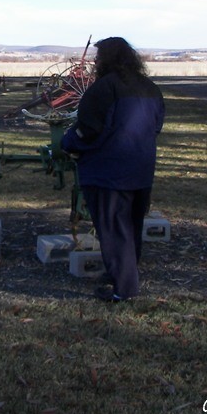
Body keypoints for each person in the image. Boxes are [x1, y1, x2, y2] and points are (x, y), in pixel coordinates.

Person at [61, 37, 165, 302]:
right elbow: (156, 127)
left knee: (114, 230)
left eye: (98, 58)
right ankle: (122, 273)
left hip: (108, 172)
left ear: (107, 59)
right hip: (141, 169)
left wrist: (66, 143)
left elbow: (87, 130)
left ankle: (124, 290)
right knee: (131, 226)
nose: (95, 63)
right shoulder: (150, 88)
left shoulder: (103, 89)